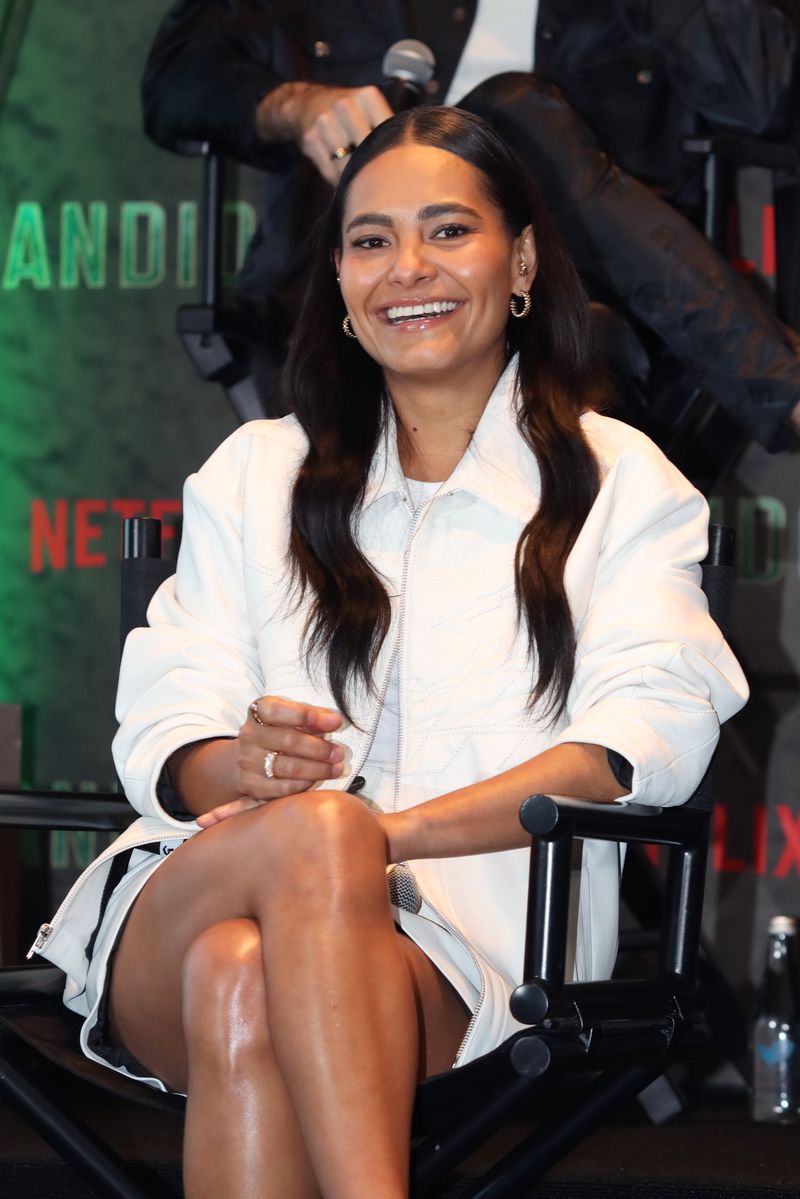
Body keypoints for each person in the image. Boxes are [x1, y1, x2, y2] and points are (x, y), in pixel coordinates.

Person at [33, 108, 748, 1198]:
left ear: (518, 260)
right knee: (258, 903)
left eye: (447, 231)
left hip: (467, 958)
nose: (404, 268)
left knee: (247, 975)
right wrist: (245, 765)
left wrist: (373, 836)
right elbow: (164, 726)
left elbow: (636, 744)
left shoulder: (622, 483)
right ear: (335, 278)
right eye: (369, 240)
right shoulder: (254, 471)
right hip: (183, 915)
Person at [142, 0, 800, 457]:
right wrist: (297, 107)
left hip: (586, 299)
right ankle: (784, 387)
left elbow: (761, 93)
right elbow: (175, 79)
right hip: (372, 287)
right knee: (508, 115)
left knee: (520, 119)